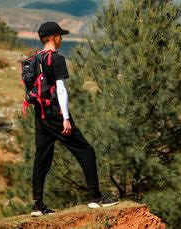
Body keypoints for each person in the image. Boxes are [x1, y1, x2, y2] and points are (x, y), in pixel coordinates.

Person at [29, 21, 119, 216]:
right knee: (86, 151)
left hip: (40, 115)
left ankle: (37, 205)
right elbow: (61, 90)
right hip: (55, 115)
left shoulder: (36, 59)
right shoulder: (56, 59)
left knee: (41, 159)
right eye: (60, 36)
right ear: (52, 37)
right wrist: (66, 118)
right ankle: (96, 198)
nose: (61, 39)